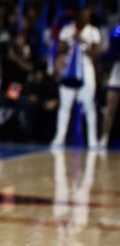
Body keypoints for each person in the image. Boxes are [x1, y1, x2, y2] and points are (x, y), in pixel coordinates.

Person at [51, 8, 102, 150]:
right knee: (65, 105)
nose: (84, 17)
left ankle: (92, 140)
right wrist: (71, 41)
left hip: (86, 68)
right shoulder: (67, 30)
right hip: (68, 69)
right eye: (82, 14)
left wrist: (84, 45)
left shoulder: (93, 31)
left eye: (87, 15)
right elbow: (59, 49)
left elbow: (97, 54)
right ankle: (59, 137)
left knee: (89, 105)